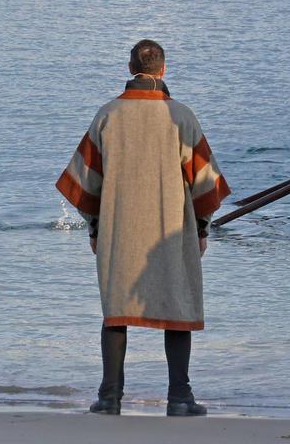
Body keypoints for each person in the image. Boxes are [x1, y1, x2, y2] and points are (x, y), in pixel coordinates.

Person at [56, 40, 231, 417]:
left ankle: (109, 397)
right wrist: (201, 228)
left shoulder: (108, 115)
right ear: (163, 70)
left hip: (120, 229)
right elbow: (205, 181)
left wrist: (95, 229)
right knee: (178, 304)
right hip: (171, 228)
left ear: (129, 67)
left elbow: (86, 181)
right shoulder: (181, 116)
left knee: (117, 309)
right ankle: (180, 398)